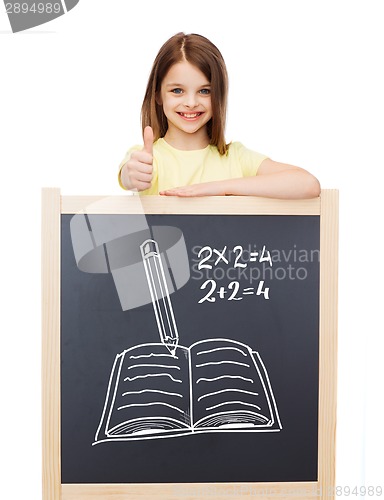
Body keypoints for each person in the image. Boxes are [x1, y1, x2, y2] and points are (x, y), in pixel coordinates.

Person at [118, 33, 320, 199]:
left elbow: (308, 184)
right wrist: (131, 175)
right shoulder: (148, 159)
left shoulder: (236, 158)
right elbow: (130, 175)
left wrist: (216, 188)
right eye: (177, 91)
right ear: (158, 96)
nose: (191, 102)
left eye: (205, 91)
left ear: (219, 96)